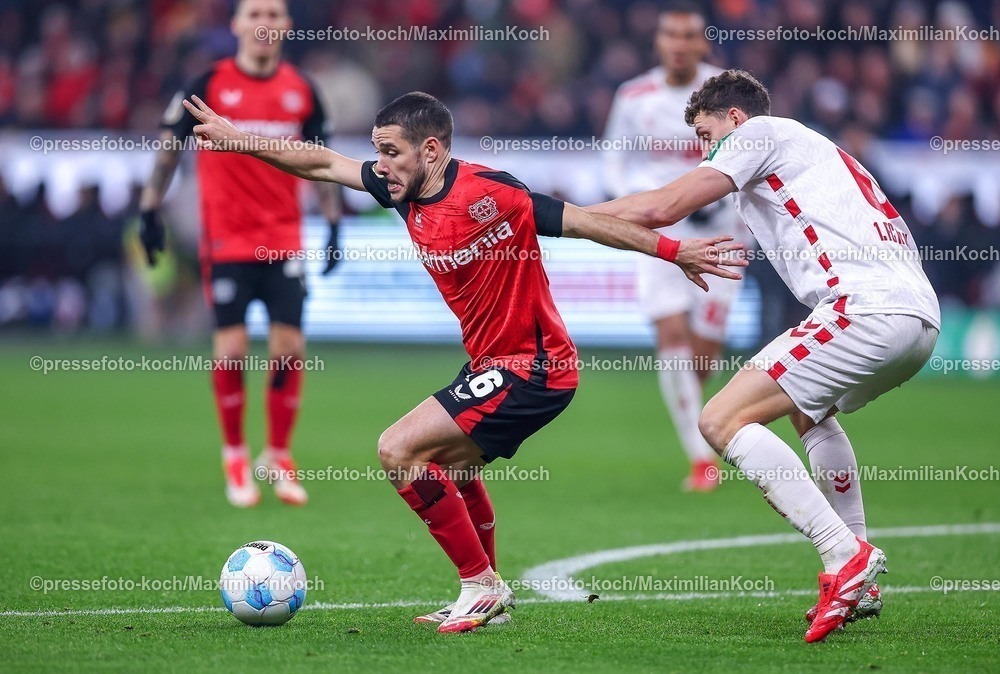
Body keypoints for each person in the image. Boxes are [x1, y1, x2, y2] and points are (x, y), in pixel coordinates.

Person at [182, 89, 746, 633]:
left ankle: (480, 584)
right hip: (491, 364)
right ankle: (488, 591)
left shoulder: (492, 192)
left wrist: (674, 251)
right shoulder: (398, 188)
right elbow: (322, 163)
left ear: (431, 151)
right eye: (378, 151)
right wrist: (239, 140)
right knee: (450, 470)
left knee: (398, 449)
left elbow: (585, 222)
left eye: (391, 152)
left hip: (535, 367)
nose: (381, 166)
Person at [589, 69, 940, 643]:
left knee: (720, 419)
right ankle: (862, 580)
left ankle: (844, 556)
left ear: (734, 119)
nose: (704, 151)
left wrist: (564, 216)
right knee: (808, 409)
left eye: (706, 135)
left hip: (865, 309)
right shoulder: (810, 153)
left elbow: (664, 205)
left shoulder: (761, 134)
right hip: (915, 318)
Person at [138, 0, 341, 508]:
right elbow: (170, 147)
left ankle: (278, 453)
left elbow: (321, 161)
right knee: (230, 349)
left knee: (289, 346)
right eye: (255, 14)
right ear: (236, 25)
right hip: (227, 238)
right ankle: (234, 453)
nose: (265, 23)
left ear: (287, 26)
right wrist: (149, 209)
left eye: (275, 14)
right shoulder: (206, 85)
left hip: (284, 238)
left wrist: (335, 222)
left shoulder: (303, 90)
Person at [602, 1, 742, 491]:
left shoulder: (728, 89)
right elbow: (614, 159)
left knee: (702, 355)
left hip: (724, 233)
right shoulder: (634, 95)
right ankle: (700, 459)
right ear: (658, 41)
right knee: (672, 337)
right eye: (671, 35)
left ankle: (696, 424)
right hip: (658, 234)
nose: (679, 45)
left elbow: (755, 148)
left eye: (688, 36)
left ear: (702, 42)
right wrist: (636, 205)